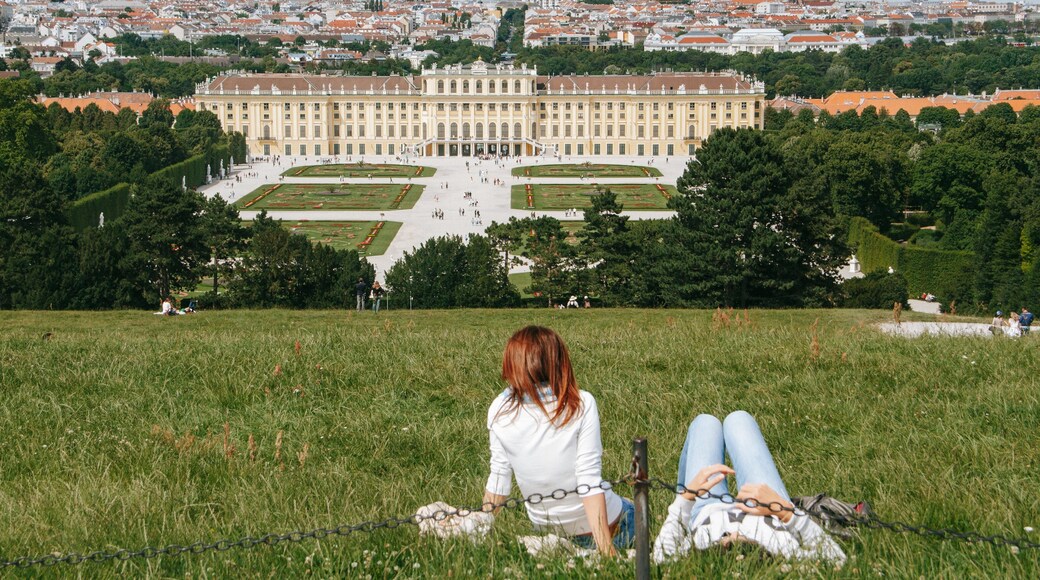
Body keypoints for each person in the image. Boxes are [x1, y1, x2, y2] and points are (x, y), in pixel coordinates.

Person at [483, 326, 634, 556]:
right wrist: (606, 552)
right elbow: (588, 480)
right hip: (603, 531)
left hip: (547, 530)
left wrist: (483, 527)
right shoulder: (580, 404)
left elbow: (499, 476)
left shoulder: (499, 409)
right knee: (634, 507)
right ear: (558, 361)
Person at [653, 411, 845, 564]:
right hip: (768, 506)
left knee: (705, 423)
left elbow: (660, 558)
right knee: (739, 419)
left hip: (705, 508)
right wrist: (785, 511)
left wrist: (686, 499)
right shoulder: (784, 553)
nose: (732, 533)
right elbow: (836, 558)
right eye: (739, 542)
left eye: (725, 542)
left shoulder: (696, 555)